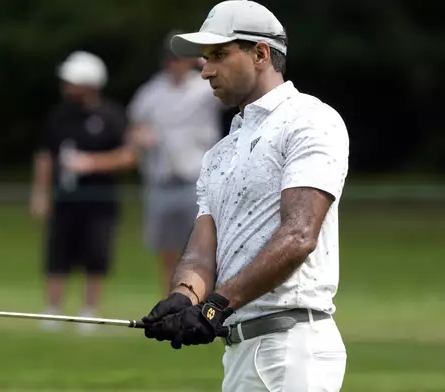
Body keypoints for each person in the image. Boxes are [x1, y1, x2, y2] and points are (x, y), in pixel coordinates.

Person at [141, 1, 350, 391]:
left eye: (219, 55)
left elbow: (299, 235)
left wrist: (216, 304)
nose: (205, 71)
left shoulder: (309, 119)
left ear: (260, 53)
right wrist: (183, 298)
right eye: (205, 58)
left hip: (292, 345)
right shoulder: (220, 153)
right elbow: (202, 251)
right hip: (240, 349)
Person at [30, 51, 135, 333]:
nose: (66, 86)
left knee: (96, 255)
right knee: (57, 256)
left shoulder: (111, 115)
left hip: (99, 201)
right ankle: (52, 310)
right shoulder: (60, 115)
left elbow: (127, 156)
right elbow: (45, 155)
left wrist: (91, 163)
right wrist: (40, 193)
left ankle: (89, 312)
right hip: (64, 199)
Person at [127, 30, 224, 295]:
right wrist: (140, 136)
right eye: (170, 58)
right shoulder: (151, 92)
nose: (173, 64)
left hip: (197, 180)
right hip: (162, 180)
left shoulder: (204, 87)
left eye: (180, 58)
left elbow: (227, 81)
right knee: (167, 252)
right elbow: (134, 128)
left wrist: (201, 59)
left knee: (202, 248)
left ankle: (202, 302)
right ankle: (171, 302)